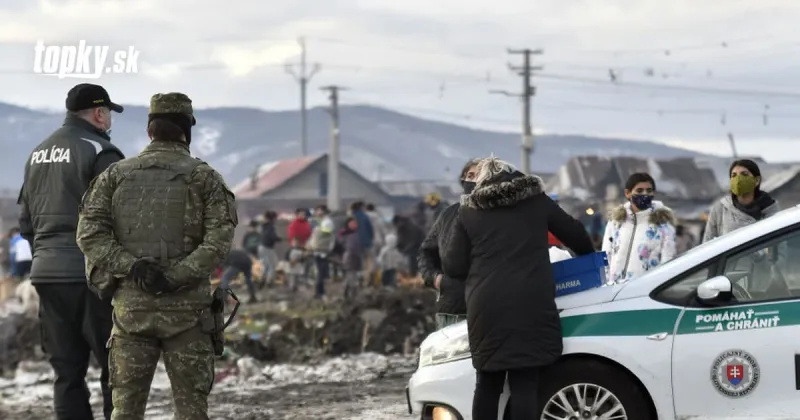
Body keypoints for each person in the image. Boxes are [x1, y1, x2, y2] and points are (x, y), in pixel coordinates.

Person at [75, 92, 237, 419]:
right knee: (192, 411)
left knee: (125, 412)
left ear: (150, 130)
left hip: (132, 313)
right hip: (189, 315)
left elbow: (89, 234)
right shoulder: (205, 178)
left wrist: (133, 267)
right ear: (186, 130)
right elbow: (219, 240)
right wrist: (175, 277)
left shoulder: (114, 176)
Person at [442, 157, 595, 420]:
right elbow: (577, 235)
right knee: (525, 384)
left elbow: (454, 265)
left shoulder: (469, 210)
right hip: (531, 301)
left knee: (488, 384)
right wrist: (586, 258)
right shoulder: (536, 200)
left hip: (486, 306)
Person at [17, 83, 125, 419]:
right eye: (107, 113)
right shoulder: (99, 151)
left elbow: (26, 224)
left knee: (67, 374)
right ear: (98, 113)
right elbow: (121, 217)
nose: (108, 121)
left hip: (47, 275)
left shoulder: (37, 154)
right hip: (92, 277)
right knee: (117, 371)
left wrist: (47, 254)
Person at [418, 158, 480, 330]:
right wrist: (435, 279)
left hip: (493, 305)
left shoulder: (503, 216)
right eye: (471, 175)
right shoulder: (448, 215)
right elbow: (426, 252)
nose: (475, 180)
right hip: (454, 306)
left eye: (481, 175)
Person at [602, 173, 677, 284]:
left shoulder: (662, 223)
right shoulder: (616, 221)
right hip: (614, 290)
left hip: (644, 290)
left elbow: (668, 260)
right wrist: (605, 282)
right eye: (639, 191)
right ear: (628, 193)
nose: (645, 194)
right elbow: (606, 254)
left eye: (649, 190)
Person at [703, 159, 779, 242]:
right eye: (734, 175)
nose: (738, 179)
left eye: (744, 174)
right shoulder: (721, 208)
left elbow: (779, 243)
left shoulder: (769, 207)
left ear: (756, 180)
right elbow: (707, 242)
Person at [308, 216, 335, 298]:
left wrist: (328, 250)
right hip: (317, 254)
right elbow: (314, 243)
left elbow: (331, 243)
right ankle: (318, 292)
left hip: (325, 254)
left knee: (322, 273)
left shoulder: (330, 233)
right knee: (320, 273)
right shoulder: (317, 231)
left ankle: (321, 291)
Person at [349, 201, 374, 284]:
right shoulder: (365, 216)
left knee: (356, 263)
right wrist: (370, 239)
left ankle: (356, 280)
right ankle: (366, 279)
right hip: (366, 242)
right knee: (367, 262)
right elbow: (370, 230)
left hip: (353, 244)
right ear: (361, 207)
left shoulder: (350, 217)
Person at [339, 217, 363, 299]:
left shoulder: (359, 233)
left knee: (354, 276)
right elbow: (342, 244)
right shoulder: (344, 234)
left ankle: (348, 293)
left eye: (355, 223)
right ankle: (350, 295)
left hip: (357, 257)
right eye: (351, 223)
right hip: (349, 257)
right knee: (351, 276)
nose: (354, 225)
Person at [259, 210, 280, 284]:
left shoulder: (264, 225)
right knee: (272, 265)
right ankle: (269, 281)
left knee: (266, 265)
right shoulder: (271, 226)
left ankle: (262, 279)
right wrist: (278, 239)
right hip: (268, 247)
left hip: (262, 247)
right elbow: (272, 236)